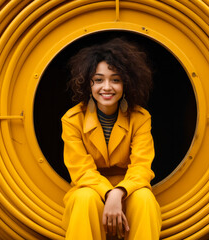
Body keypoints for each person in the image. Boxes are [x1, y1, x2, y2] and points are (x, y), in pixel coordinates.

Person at [61, 38, 161, 240]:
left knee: (145, 199)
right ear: (88, 83)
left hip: (129, 188)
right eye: (99, 80)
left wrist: (119, 192)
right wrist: (108, 192)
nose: (107, 87)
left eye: (115, 80)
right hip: (90, 188)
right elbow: (80, 170)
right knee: (84, 198)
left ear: (126, 83)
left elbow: (142, 167)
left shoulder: (140, 118)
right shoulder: (72, 119)